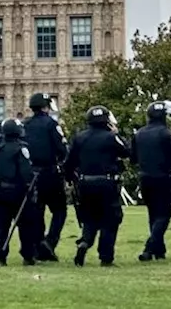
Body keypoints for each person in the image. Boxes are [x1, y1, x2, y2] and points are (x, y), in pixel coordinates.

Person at [64, 105, 130, 267]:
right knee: (110, 219)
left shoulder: (79, 137)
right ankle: (106, 257)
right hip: (107, 182)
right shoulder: (110, 137)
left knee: (89, 217)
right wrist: (116, 133)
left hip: (85, 183)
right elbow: (127, 151)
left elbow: (69, 162)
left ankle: (85, 242)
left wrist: (70, 179)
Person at [130, 100, 171, 261]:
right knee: (164, 214)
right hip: (164, 178)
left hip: (145, 178)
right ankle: (149, 248)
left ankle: (159, 250)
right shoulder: (167, 134)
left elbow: (133, 158)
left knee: (153, 214)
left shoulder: (139, 134)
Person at [22, 92, 69, 261]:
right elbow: (62, 148)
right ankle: (49, 242)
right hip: (49, 173)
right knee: (59, 210)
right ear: (45, 107)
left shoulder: (24, 124)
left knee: (37, 211)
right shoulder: (51, 124)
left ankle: (38, 244)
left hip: (30, 175)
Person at [0, 118, 39, 266]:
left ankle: (0, 256)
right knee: (26, 225)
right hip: (18, 192)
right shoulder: (21, 148)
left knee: (1, 227)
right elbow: (26, 172)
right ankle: (28, 256)